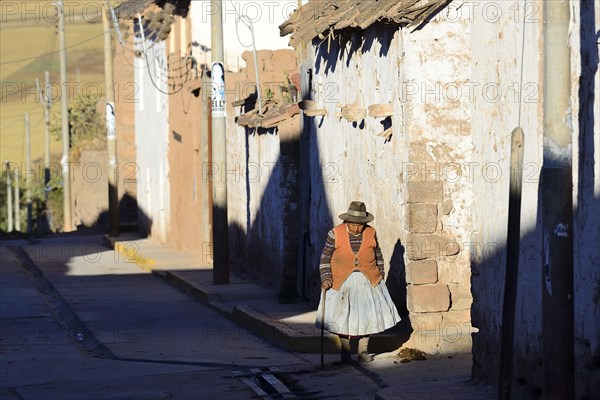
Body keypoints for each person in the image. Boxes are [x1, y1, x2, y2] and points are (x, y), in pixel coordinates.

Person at [316, 201, 401, 363]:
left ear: (365, 223)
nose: (356, 228)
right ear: (347, 222)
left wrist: (379, 275)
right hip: (341, 281)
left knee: (366, 316)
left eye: (360, 225)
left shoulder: (371, 232)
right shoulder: (335, 233)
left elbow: (378, 256)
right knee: (341, 317)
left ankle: (363, 351)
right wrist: (326, 278)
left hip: (367, 280)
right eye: (353, 224)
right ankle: (345, 351)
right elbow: (325, 258)